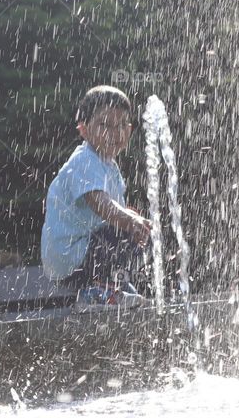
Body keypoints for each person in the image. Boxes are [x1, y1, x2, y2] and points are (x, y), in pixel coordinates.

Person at [40, 85, 152, 309]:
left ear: (130, 129)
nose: (115, 133)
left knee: (136, 230)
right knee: (121, 231)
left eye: (122, 125)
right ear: (83, 129)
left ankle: (112, 286)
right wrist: (129, 220)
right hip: (70, 258)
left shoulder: (108, 165)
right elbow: (100, 204)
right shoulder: (84, 160)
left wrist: (131, 218)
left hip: (83, 253)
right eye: (104, 125)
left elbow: (113, 209)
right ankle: (95, 292)